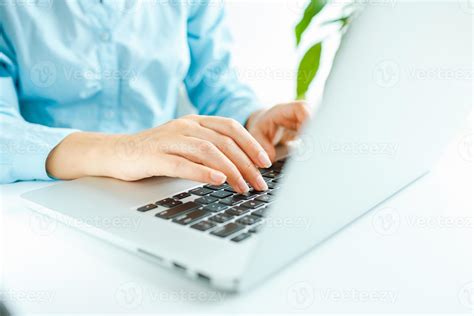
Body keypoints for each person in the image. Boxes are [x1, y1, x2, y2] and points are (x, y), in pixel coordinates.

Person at [0, 0, 310, 193]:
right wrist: (124, 150)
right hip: (43, 193)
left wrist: (252, 120)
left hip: (161, 186)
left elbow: (217, 85)